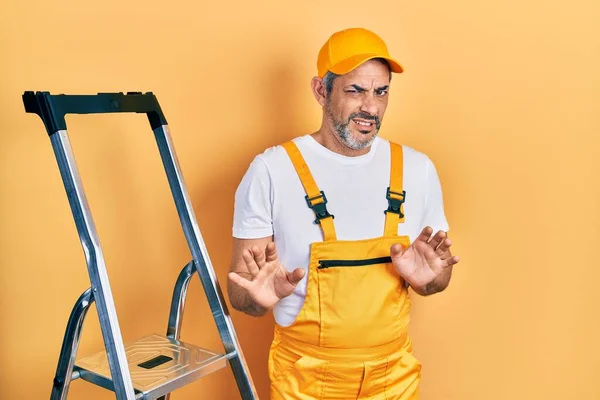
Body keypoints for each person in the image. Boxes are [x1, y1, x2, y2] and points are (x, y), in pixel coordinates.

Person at [227, 27, 460, 400]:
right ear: (321, 91)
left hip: (393, 380)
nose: (371, 107)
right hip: (304, 381)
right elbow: (240, 294)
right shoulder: (272, 170)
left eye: (381, 91)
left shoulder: (417, 169)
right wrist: (258, 297)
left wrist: (433, 278)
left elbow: (435, 282)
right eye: (355, 91)